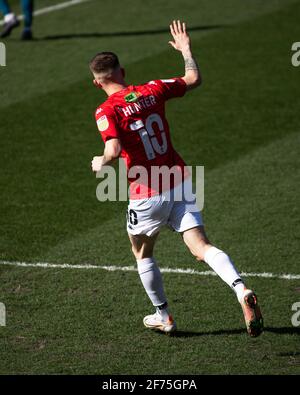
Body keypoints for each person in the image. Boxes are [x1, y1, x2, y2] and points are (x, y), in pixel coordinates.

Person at [89, 20, 263, 337]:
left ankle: (164, 316)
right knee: (201, 246)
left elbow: (113, 150)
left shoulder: (105, 111)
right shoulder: (153, 89)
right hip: (179, 179)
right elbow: (193, 78)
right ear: (123, 72)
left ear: (97, 83)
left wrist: (100, 161)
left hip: (146, 190)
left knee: (142, 253)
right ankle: (240, 288)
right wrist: (185, 50)